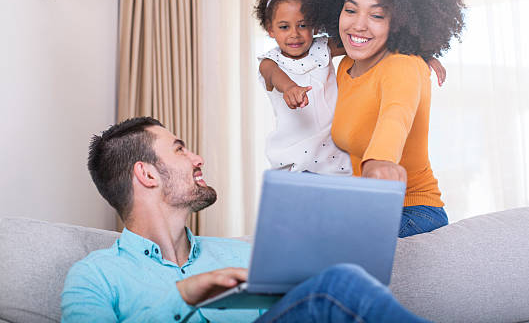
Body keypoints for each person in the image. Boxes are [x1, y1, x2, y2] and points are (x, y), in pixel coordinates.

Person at [61, 116, 431, 322]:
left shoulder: (242, 259)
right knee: (341, 283)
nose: (197, 158)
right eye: (179, 149)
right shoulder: (95, 277)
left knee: (339, 280)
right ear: (147, 175)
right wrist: (183, 296)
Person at [301, 0, 466, 238]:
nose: (359, 24)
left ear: (401, 21)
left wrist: (379, 163)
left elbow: (395, 116)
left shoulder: (404, 66)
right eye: (350, 10)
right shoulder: (345, 68)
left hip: (415, 212)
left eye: (377, 15)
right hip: (370, 207)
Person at [256, 0, 446, 175]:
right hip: (294, 155)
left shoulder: (322, 49)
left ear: (315, 26)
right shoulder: (270, 61)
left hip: (330, 154)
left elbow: (370, 42)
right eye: (284, 27)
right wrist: (290, 88)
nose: (294, 34)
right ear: (270, 29)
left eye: (302, 25)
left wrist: (419, 50)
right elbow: (274, 74)